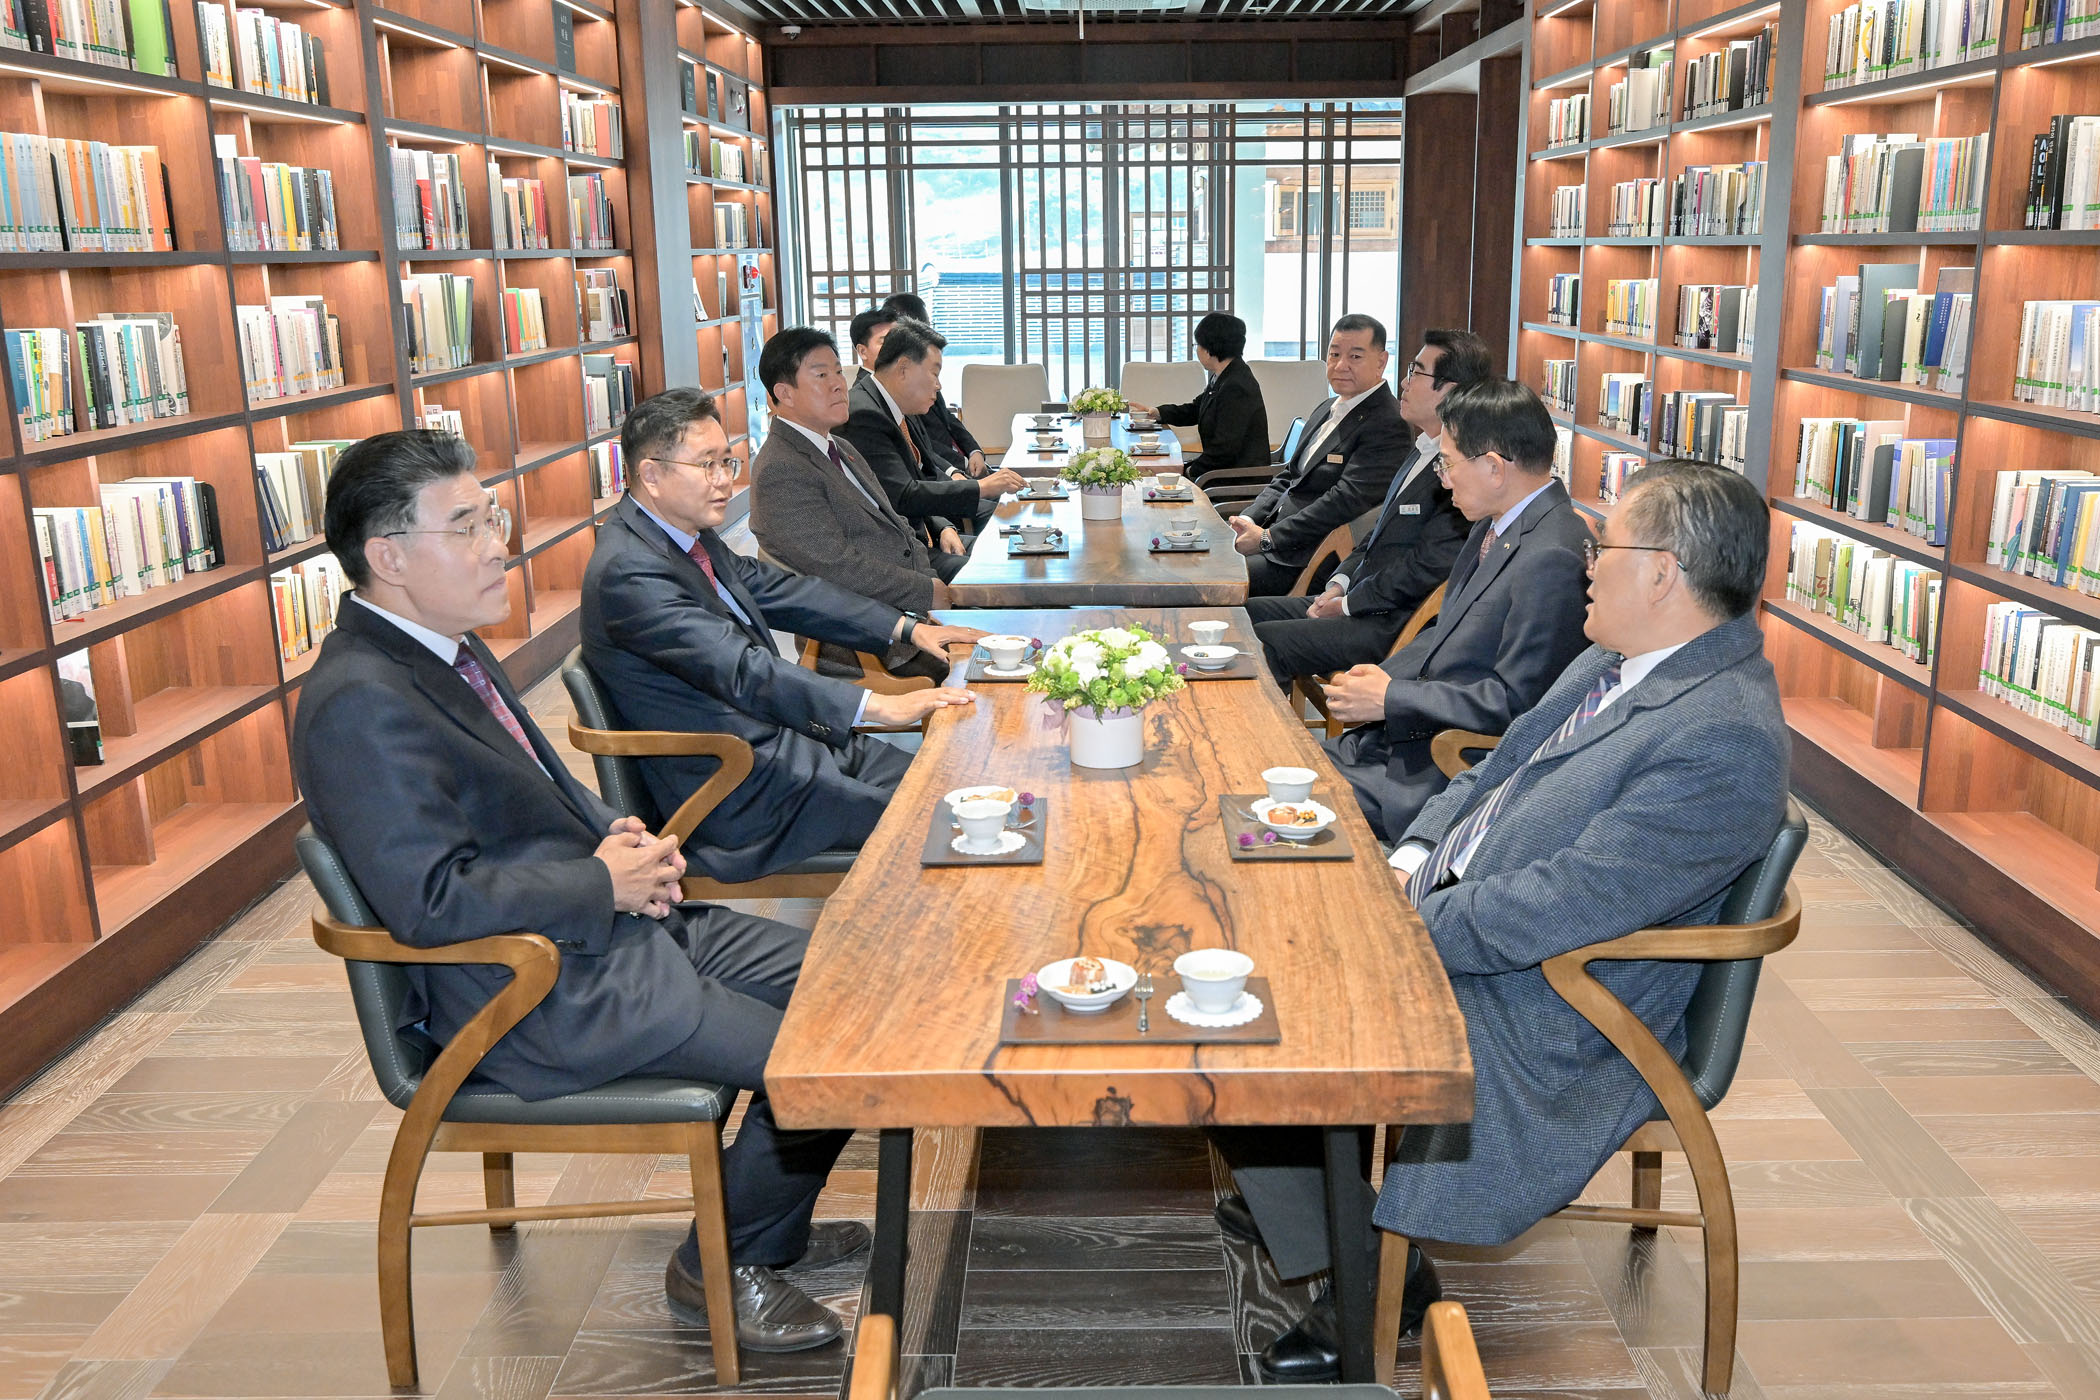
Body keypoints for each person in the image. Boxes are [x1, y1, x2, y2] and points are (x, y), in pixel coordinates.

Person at [1212, 459, 1791, 1382]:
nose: (1586, 564)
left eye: (1604, 547)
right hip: (1476, 917)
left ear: (1663, 573)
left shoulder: (1723, 735)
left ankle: (1367, 1272)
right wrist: (1407, 861)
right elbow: (1491, 773)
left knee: (1264, 1003)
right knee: (1242, 926)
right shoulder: (1618, 660)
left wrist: (1399, 923)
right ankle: (1319, 1200)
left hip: (1560, 1003)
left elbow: (1565, 904)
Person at [292, 429, 867, 1355]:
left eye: (492, 517)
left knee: (856, 998)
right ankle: (721, 1261)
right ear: (387, 556)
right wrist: (599, 882)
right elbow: (431, 901)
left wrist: (613, 839)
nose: (498, 544)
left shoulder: (440, 651)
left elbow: (524, 803)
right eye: (467, 526)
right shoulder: (360, 699)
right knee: (827, 1058)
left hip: (612, 936)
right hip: (535, 990)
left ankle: (758, 1230)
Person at [581, 388, 983, 884]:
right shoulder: (629, 571)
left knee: (952, 785)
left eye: (726, 461)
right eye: (706, 465)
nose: (725, 479)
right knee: (951, 822)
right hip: (740, 787)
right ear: (651, 475)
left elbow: (781, 591)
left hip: (789, 745)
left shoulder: (680, 534)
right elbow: (742, 668)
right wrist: (876, 706)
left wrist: (905, 627)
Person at [1320, 378, 1593, 842]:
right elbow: (1447, 632)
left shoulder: (1552, 555)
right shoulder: (1495, 524)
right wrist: (1379, 678)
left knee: (1277, 789)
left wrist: (1392, 698)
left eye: (1447, 464)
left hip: (1447, 771)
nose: (1442, 480)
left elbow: (1517, 704)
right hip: (1403, 741)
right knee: (1270, 762)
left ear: (1494, 467)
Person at [1243, 329, 1487, 687]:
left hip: (1388, 623)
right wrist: (1339, 584)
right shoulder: (1422, 448)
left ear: (1450, 390)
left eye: (1416, 372)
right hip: (1357, 599)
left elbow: (1423, 568)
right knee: (1242, 613)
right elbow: (1376, 534)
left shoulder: (1459, 472)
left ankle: (1262, 724)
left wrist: (1348, 604)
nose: (1404, 382)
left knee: (1264, 641)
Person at [750, 327, 967, 614]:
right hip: (879, 623)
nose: (839, 384)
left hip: (914, 591)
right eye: (821, 375)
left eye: (839, 372)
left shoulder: (839, 446)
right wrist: (926, 591)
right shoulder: (781, 470)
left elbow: (897, 523)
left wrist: (930, 580)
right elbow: (836, 567)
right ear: (785, 394)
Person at [1229, 314, 1413, 597]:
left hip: (1307, 559)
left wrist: (1267, 538)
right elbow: (1290, 476)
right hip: (1275, 538)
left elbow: (1343, 501)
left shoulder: (1388, 422)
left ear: (1381, 361)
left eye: (1355, 356)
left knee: (1208, 578)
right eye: (1334, 354)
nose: (1340, 365)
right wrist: (1249, 520)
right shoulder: (1327, 407)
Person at [840, 318, 1021, 539]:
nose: (938, 385)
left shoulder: (897, 404)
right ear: (903, 369)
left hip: (927, 529)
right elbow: (902, 496)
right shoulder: (864, 414)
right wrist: (981, 487)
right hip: (903, 545)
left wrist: (943, 526)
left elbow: (923, 475)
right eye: (934, 373)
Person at [1123, 311, 1269, 482]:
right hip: (1221, 470)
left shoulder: (1236, 386)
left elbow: (1224, 449)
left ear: (1209, 349)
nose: (1197, 350)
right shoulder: (1226, 376)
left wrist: (1190, 471)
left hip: (1235, 479)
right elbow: (1195, 409)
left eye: (1198, 345)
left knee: (1156, 479)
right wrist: (1157, 412)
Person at [880, 291, 985, 474]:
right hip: (940, 471)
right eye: (927, 325)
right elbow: (921, 442)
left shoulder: (924, 368)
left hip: (958, 464)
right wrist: (962, 465)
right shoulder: (894, 384)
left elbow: (947, 418)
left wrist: (974, 451)